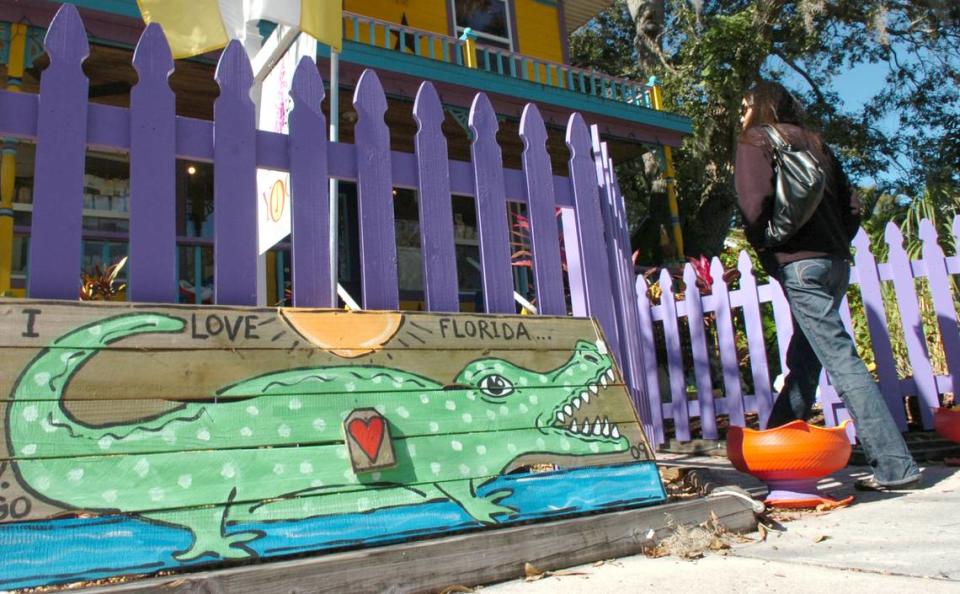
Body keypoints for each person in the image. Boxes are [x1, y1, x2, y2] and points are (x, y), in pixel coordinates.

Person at [734, 80, 921, 492]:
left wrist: (768, 247)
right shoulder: (817, 143)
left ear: (761, 107)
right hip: (834, 263)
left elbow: (753, 205)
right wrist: (834, 244)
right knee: (805, 361)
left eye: (746, 106)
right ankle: (768, 454)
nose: (742, 115)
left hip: (798, 264)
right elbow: (851, 206)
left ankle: (894, 465)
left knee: (840, 359)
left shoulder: (756, 140)